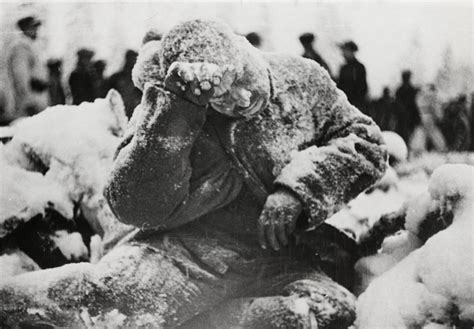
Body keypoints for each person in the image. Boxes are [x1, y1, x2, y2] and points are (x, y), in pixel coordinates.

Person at [105, 20, 386, 327]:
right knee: (110, 311)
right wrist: (176, 114)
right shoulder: (167, 105)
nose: (239, 99)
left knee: (329, 310)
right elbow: (132, 205)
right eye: (221, 95)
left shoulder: (300, 79)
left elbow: (366, 141)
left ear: (243, 52)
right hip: (187, 257)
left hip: (280, 256)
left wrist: (298, 191)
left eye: (240, 80)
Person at [4, 15, 49, 122]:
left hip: (38, 97)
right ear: (24, 29)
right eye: (32, 27)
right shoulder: (20, 46)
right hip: (30, 101)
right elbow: (20, 76)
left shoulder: (31, 46)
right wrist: (28, 102)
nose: (36, 30)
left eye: (36, 28)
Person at [410, 84, 446, 155]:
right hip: (429, 117)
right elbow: (435, 108)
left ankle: (417, 149)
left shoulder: (420, 95)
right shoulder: (433, 96)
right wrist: (439, 116)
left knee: (421, 133)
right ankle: (442, 148)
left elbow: (417, 104)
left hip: (422, 115)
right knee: (433, 133)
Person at [337, 40, 368, 114]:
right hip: (344, 103)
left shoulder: (359, 67)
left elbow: (362, 87)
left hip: (356, 104)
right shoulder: (343, 68)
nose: (343, 54)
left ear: (352, 52)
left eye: (345, 50)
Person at [108, 50, 142, 118]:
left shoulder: (139, 78)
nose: (133, 61)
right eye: (131, 59)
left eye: (134, 59)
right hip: (118, 111)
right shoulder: (116, 77)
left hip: (132, 113)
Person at [395, 70, 420, 143]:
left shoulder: (410, 90)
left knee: (409, 134)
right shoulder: (400, 90)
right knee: (403, 134)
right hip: (403, 116)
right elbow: (397, 103)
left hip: (409, 115)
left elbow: (414, 103)